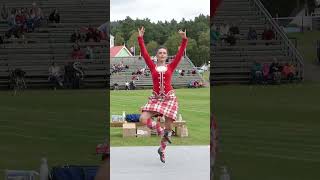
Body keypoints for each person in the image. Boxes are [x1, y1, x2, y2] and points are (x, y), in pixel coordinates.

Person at [137, 26, 188, 163]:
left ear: (166, 55)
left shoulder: (171, 66)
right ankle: (160, 131)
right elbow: (144, 52)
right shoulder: (152, 66)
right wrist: (140, 38)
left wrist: (184, 40)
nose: (162, 55)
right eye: (160, 53)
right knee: (143, 119)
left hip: (169, 98)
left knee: (169, 128)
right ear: (157, 55)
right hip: (155, 98)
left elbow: (180, 54)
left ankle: (162, 150)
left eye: (164, 53)